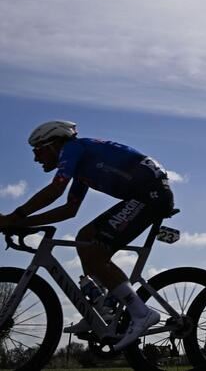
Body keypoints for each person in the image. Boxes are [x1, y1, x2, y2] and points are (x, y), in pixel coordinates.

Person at [0, 121, 174, 350]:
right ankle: (102, 308)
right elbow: (69, 210)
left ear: (52, 144)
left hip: (150, 196)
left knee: (95, 254)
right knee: (85, 237)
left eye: (37, 150)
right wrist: (21, 222)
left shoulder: (73, 148)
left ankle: (141, 313)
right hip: (143, 194)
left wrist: (13, 216)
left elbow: (55, 190)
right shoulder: (82, 166)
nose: (35, 158)